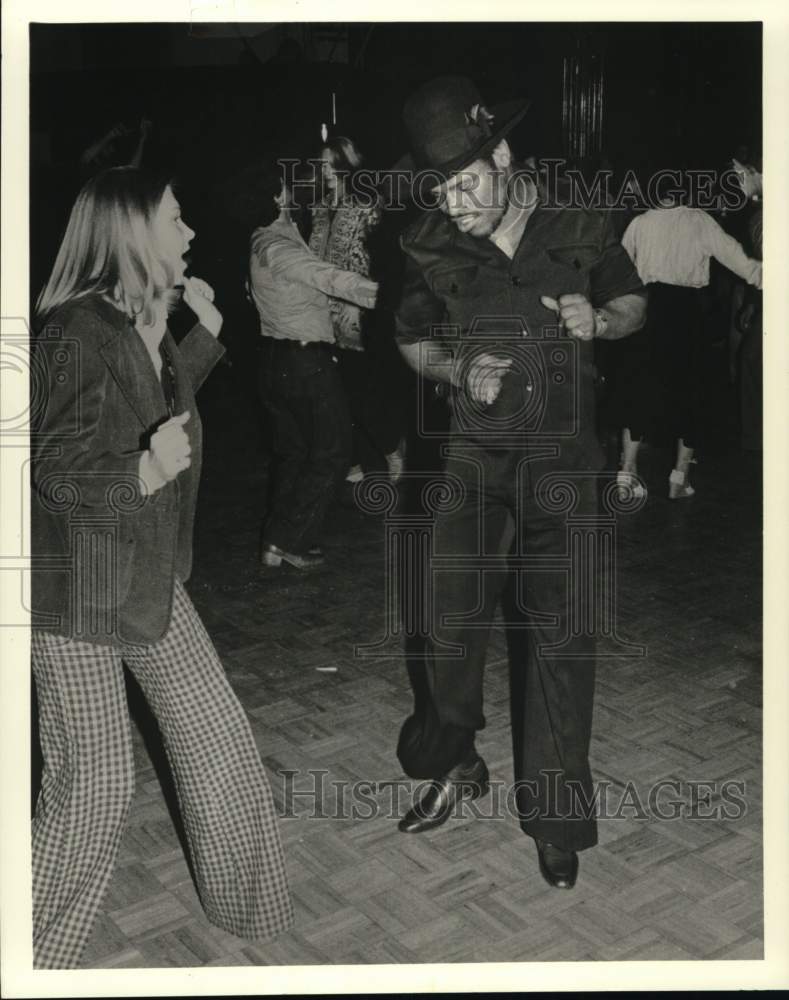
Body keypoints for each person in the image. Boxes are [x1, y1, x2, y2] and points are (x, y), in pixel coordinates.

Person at [30, 167, 294, 968]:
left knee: (217, 738)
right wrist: (141, 473)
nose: (187, 235)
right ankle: (33, 954)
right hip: (75, 589)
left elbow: (140, 406)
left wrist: (200, 340)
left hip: (143, 576)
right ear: (131, 235)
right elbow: (54, 465)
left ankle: (252, 909)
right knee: (97, 784)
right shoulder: (77, 329)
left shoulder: (133, 319)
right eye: (174, 221)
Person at [392, 76, 647, 889]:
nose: (454, 206)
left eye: (463, 184)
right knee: (447, 627)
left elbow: (632, 301)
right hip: (471, 464)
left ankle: (556, 820)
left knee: (560, 641)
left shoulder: (578, 215)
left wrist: (599, 321)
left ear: (501, 155)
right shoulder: (427, 241)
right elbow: (409, 345)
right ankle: (452, 760)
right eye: (438, 189)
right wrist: (458, 367)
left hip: (564, 467)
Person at [248, 159, 378, 569]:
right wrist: (388, 295)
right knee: (333, 451)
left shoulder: (267, 236)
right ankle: (292, 542)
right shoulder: (278, 248)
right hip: (303, 361)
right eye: (288, 187)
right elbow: (329, 277)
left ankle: (275, 541)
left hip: (276, 359)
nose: (296, 189)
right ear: (276, 196)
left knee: (295, 453)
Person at [617, 185, 762, 497]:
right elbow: (741, 262)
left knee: (640, 385)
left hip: (646, 310)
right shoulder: (699, 221)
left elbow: (618, 272)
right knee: (691, 390)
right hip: (686, 314)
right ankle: (678, 479)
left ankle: (627, 473)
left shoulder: (639, 223)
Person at [310, 135, 406, 483]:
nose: (322, 170)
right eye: (320, 164)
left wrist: (358, 304)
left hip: (362, 314)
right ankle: (358, 459)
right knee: (338, 394)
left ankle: (393, 450)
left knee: (366, 393)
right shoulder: (319, 208)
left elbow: (383, 261)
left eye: (327, 163)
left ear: (344, 164)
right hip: (324, 314)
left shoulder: (368, 203)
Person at [732, 156, 763, 451]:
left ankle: (757, 442)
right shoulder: (760, 211)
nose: (736, 182)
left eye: (739, 174)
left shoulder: (764, 215)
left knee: (753, 362)